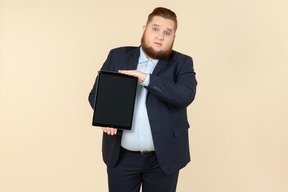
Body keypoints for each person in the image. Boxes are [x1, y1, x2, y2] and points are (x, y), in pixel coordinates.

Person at [88, 7, 197, 192]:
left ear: (173, 38)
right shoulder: (118, 55)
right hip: (121, 157)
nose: (160, 36)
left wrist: (146, 79)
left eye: (167, 32)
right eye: (155, 29)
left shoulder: (182, 62)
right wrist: (106, 116)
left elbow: (185, 95)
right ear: (145, 29)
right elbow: (95, 95)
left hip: (163, 159)